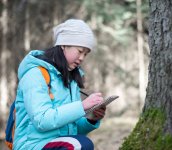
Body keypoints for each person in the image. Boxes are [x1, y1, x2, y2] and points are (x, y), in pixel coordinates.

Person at [13, 19, 106, 150]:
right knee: (81, 144)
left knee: (80, 142)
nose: (82, 58)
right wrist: (82, 106)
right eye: (80, 51)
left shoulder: (70, 79)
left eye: (86, 54)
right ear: (63, 45)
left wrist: (91, 119)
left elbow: (71, 129)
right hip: (31, 145)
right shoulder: (35, 74)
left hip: (58, 143)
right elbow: (42, 121)